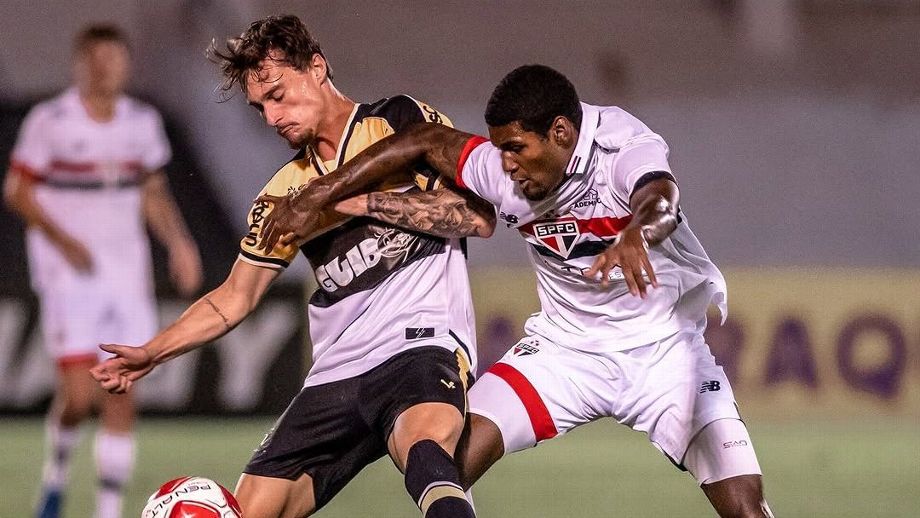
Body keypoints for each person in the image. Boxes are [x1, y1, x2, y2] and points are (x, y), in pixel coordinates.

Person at [256, 64, 774, 517]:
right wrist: (323, 191)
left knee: (744, 507)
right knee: (442, 470)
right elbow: (420, 142)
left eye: (517, 149)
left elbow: (659, 195)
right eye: (500, 148)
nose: (505, 165)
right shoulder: (506, 168)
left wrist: (637, 231)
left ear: (562, 133)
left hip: (665, 356)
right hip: (564, 354)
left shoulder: (620, 145)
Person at [91, 15, 494, 518]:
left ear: (317, 67)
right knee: (250, 509)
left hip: (419, 344)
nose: (270, 116)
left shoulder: (398, 122)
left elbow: (476, 218)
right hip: (335, 372)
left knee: (425, 450)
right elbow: (234, 298)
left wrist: (345, 201)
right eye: (260, 107)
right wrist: (155, 351)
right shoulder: (282, 192)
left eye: (278, 94)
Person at [3, 24, 203, 518]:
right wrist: (65, 240)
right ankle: (57, 472)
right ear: (81, 63)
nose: (106, 68)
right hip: (68, 277)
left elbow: (154, 193)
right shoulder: (50, 120)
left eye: (114, 59)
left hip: (125, 274)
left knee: (121, 389)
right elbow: (17, 192)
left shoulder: (142, 122)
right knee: (77, 396)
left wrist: (179, 244)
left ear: (125, 65)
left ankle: (107, 511)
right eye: (96, 59)